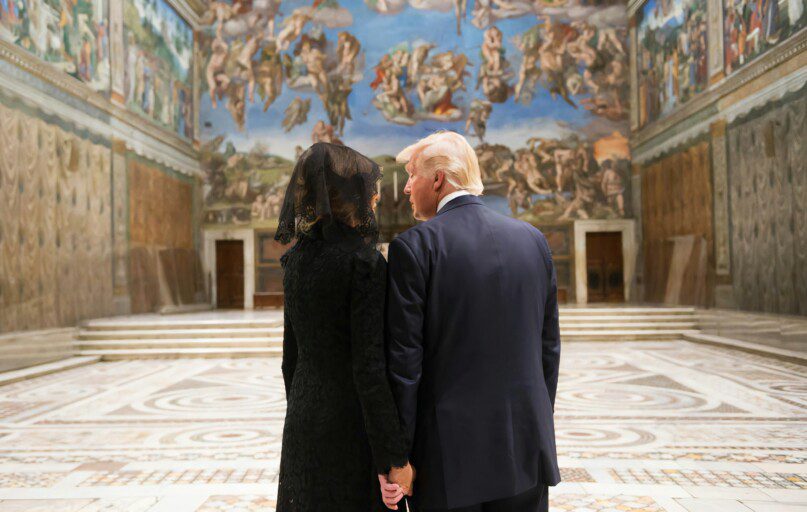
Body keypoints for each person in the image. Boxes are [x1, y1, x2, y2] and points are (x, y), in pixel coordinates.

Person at [382, 131, 561, 511]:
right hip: (526, 448)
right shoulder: (533, 240)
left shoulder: (415, 247)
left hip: (448, 458)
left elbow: (405, 364)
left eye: (412, 175)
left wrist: (398, 457)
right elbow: (548, 350)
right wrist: (538, 425)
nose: (407, 187)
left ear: (438, 179)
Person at [274, 142, 415, 512]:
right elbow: (369, 368)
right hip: (350, 425)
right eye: (370, 192)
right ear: (350, 198)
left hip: (303, 417)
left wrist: (303, 408)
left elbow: (290, 359)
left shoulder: (295, 260)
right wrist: (392, 458)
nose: (374, 200)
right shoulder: (362, 264)